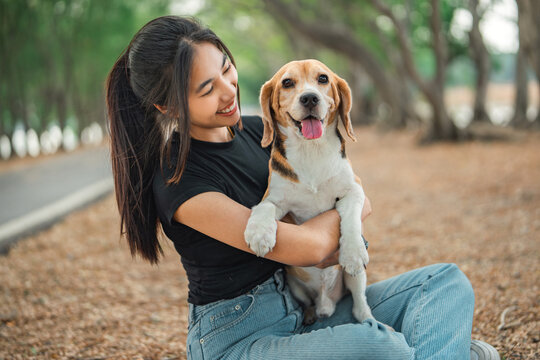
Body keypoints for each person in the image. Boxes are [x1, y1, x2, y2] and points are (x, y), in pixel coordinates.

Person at [105, 15, 500, 360]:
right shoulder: (178, 179)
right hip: (240, 339)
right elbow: (309, 248)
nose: (228, 91)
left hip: (307, 305)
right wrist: (346, 221)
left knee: (445, 282)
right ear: (168, 106)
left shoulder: (261, 132)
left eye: (227, 69)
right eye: (206, 89)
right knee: (383, 349)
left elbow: (355, 187)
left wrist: (349, 210)